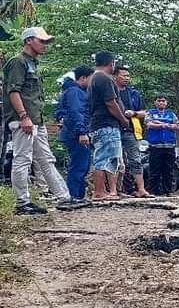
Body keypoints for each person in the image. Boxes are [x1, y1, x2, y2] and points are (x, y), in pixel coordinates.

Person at [2, 27, 75, 214]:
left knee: (46, 159)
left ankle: (64, 197)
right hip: (24, 120)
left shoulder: (32, 63)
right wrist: (23, 116)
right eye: (41, 41)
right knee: (22, 159)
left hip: (36, 120)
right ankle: (22, 203)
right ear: (28, 40)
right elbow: (13, 91)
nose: (45, 45)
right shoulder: (18, 62)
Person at [87, 50, 129, 201]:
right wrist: (123, 119)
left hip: (98, 124)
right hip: (106, 124)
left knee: (106, 157)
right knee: (105, 158)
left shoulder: (93, 78)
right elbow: (111, 103)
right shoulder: (104, 78)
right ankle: (99, 191)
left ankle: (105, 190)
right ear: (111, 63)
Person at [57, 66, 93, 203]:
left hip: (75, 132)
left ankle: (79, 195)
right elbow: (76, 112)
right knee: (78, 165)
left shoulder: (74, 91)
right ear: (83, 78)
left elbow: (61, 111)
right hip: (75, 134)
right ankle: (74, 196)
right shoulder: (75, 92)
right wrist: (82, 132)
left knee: (82, 164)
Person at [115, 65, 150, 198]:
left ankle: (141, 189)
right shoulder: (110, 91)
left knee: (135, 159)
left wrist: (134, 113)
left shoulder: (134, 93)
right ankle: (118, 190)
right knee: (117, 161)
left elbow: (144, 112)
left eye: (128, 76)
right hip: (114, 129)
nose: (126, 78)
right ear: (115, 75)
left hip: (131, 130)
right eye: (124, 75)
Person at [144, 95, 179, 195]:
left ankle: (168, 191)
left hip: (169, 146)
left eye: (163, 101)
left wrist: (163, 124)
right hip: (155, 146)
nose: (161, 103)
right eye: (159, 101)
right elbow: (149, 124)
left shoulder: (171, 114)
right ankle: (153, 191)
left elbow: (177, 125)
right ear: (155, 102)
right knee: (155, 170)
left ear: (166, 103)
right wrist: (163, 125)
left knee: (168, 170)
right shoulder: (150, 112)